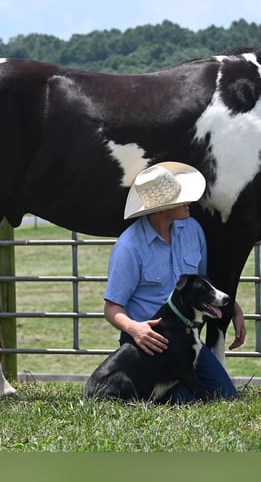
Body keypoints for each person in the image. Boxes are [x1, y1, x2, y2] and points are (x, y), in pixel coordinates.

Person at [103, 161, 246, 402]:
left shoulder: (192, 230)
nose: (190, 201)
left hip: (187, 338)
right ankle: (151, 389)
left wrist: (233, 309)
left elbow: (203, 285)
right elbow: (112, 308)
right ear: (162, 209)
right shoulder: (129, 247)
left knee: (226, 396)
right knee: (187, 401)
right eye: (182, 198)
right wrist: (136, 330)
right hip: (149, 344)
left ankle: (162, 390)